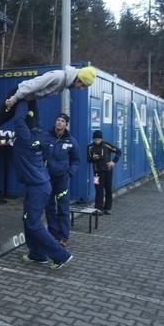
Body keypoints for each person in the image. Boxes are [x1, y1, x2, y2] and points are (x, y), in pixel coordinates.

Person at [0, 65, 96, 158]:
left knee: (33, 123)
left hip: (29, 99)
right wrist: (14, 98)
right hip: (20, 94)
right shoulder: (58, 77)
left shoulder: (65, 83)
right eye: (82, 85)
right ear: (78, 79)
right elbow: (34, 84)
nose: (81, 89)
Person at [13, 100, 73, 270]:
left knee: (33, 223)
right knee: (27, 219)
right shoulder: (40, 133)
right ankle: (37, 254)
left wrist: (23, 98)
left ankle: (61, 255)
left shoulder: (25, 138)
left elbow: (18, 119)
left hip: (38, 187)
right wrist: (33, 102)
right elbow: (36, 118)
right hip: (38, 185)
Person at [42, 113, 80, 247]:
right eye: (58, 120)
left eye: (62, 121)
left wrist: (69, 173)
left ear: (66, 124)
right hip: (47, 178)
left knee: (63, 207)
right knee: (50, 206)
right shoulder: (46, 136)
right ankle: (53, 234)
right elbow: (38, 153)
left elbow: (76, 160)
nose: (59, 122)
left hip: (62, 179)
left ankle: (63, 236)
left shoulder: (71, 141)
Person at [87, 130, 121, 215]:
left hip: (107, 171)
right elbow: (88, 160)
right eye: (95, 139)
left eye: (99, 139)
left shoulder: (107, 145)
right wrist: (93, 158)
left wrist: (113, 162)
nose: (97, 141)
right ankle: (98, 208)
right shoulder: (90, 147)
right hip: (96, 173)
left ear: (101, 139)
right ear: (93, 139)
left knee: (108, 189)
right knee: (98, 190)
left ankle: (107, 208)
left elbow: (119, 151)